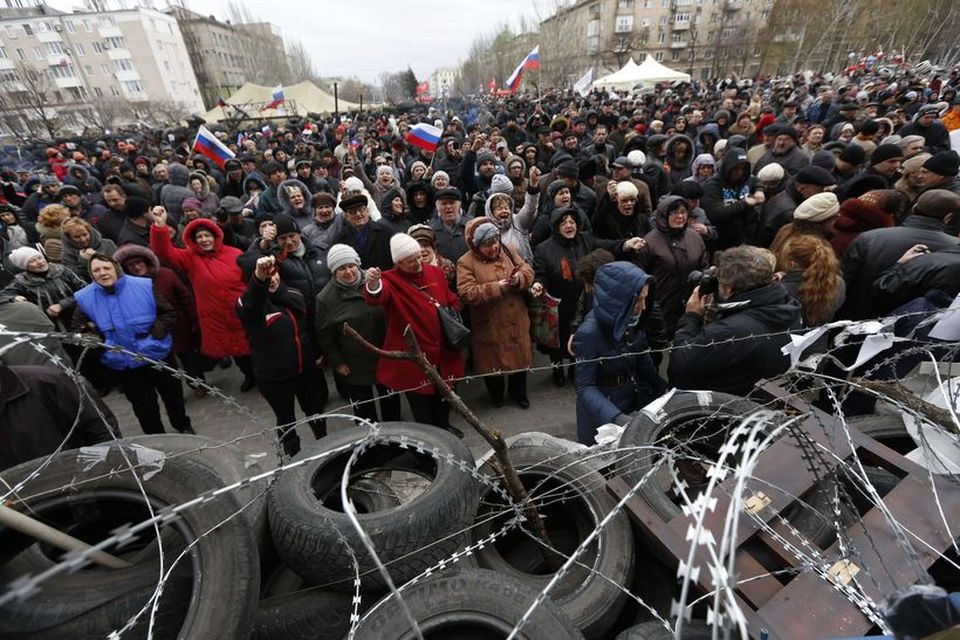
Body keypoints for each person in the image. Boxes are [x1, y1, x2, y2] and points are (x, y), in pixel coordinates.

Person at [73, 253, 194, 435]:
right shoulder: (84, 298)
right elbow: (78, 330)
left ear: (116, 268)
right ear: (91, 274)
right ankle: (156, 438)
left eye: (106, 268)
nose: (102, 273)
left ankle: (182, 425)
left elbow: (168, 312)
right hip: (125, 364)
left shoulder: (143, 286)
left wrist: (158, 332)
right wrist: (99, 345)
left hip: (157, 354)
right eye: (96, 270)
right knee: (144, 407)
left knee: (173, 396)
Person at [533, 206, 646, 386]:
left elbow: (607, 246)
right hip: (559, 306)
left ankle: (573, 367)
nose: (569, 225)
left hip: (583, 301)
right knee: (557, 343)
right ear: (555, 227)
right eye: (563, 222)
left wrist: (626, 244)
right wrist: (538, 284)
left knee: (578, 337)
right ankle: (557, 370)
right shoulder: (543, 249)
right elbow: (540, 273)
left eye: (572, 221)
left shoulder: (585, 239)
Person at [364, 233, 464, 432]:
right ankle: (429, 439)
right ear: (398, 263)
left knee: (445, 396)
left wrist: (453, 310)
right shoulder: (389, 280)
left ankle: (445, 428)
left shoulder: (434, 272)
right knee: (421, 405)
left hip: (444, 350)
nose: (418, 263)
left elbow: (449, 297)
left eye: (419, 257)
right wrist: (373, 284)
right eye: (411, 261)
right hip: (415, 358)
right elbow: (376, 297)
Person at [668, 245, 802, 395]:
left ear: (728, 289)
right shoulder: (787, 305)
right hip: (758, 395)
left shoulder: (730, 331)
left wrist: (691, 318)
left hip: (720, 403)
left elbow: (679, 369)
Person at [148, 206, 255, 391]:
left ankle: (260, 374)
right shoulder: (190, 258)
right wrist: (160, 225)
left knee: (252, 346)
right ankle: (249, 375)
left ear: (215, 236)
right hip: (216, 316)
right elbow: (165, 253)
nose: (204, 240)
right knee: (234, 349)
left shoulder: (234, 253)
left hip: (241, 311)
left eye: (207, 235)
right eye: (199, 237)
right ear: (193, 240)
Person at [237, 255, 326, 456]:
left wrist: (318, 353)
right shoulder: (247, 304)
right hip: (275, 378)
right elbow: (250, 306)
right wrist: (260, 279)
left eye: (274, 272)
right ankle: (293, 456)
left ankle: (324, 443)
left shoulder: (295, 293)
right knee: (286, 420)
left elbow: (310, 327)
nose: (273, 278)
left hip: (305, 370)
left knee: (315, 410)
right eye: (266, 275)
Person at [573, 261, 665, 445]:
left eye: (646, 298)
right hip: (600, 415)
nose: (644, 306)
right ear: (621, 300)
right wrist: (616, 417)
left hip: (628, 399)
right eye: (639, 300)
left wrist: (662, 389)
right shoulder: (589, 333)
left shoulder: (632, 321)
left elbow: (642, 358)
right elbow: (584, 387)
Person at [839, 189, 960, 320]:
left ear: (914, 208)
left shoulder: (871, 238)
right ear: (948, 217)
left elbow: (844, 280)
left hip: (853, 318)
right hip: (908, 324)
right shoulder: (953, 249)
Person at [315, 244, 401, 425]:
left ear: (358, 264)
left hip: (385, 354)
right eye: (341, 268)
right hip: (356, 362)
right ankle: (369, 442)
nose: (348, 272)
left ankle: (395, 433)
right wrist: (338, 362)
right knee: (364, 408)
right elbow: (325, 336)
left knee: (391, 400)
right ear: (333, 272)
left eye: (351, 265)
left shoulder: (374, 281)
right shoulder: (325, 298)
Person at [457, 219, 536, 409]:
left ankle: (519, 394)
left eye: (495, 242)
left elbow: (527, 270)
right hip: (489, 322)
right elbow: (467, 292)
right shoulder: (465, 262)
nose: (494, 248)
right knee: (492, 363)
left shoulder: (507, 249)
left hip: (516, 317)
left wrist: (518, 279)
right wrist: (497, 287)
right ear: (475, 245)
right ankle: (496, 395)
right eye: (487, 245)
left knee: (519, 358)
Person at [0, 364, 118, 471]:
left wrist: (100, 471)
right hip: (20, 490)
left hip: (78, 482)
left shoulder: (48, 381)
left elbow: (101, 427)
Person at [635, 195, 707, 335]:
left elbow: (703, 265)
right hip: (662, 307)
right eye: (674, 213)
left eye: (683, 212)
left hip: (690, 305)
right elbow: (641, 277)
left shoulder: (695, 238)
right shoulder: (649, 241)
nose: (680, 217)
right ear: (664, 215)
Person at [2, 246, 85, 332]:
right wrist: (14, 298)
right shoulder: (22, 282)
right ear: (25, 266)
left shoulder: (63, 271)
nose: (40, 262)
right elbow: (3, 296)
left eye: (40, 257)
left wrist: (62, 305)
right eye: (32, 261)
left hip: (80, 319)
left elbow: (85, 292)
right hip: (52, 327)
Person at [775, 235, 846, 326]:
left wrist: (777, 283)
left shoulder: (781, 289)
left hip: (790, 338)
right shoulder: (838, 283)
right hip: (820, 337)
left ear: (792, 264)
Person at [332, 193, 396, 271]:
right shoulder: (340, 239)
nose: (358, 214)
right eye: (352, 212)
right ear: (346, 216)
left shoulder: (385, 231)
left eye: (361, 210)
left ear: (368, 211)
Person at [60, 217, 117, 282]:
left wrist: (97, 257)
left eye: (85, 235)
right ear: (69, 238)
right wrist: (84, 261)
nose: (83, 239)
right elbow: (75, 277)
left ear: (90, 232)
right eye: (77, 237)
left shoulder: (108, 244)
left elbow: (117, 266)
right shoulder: (67, 255)